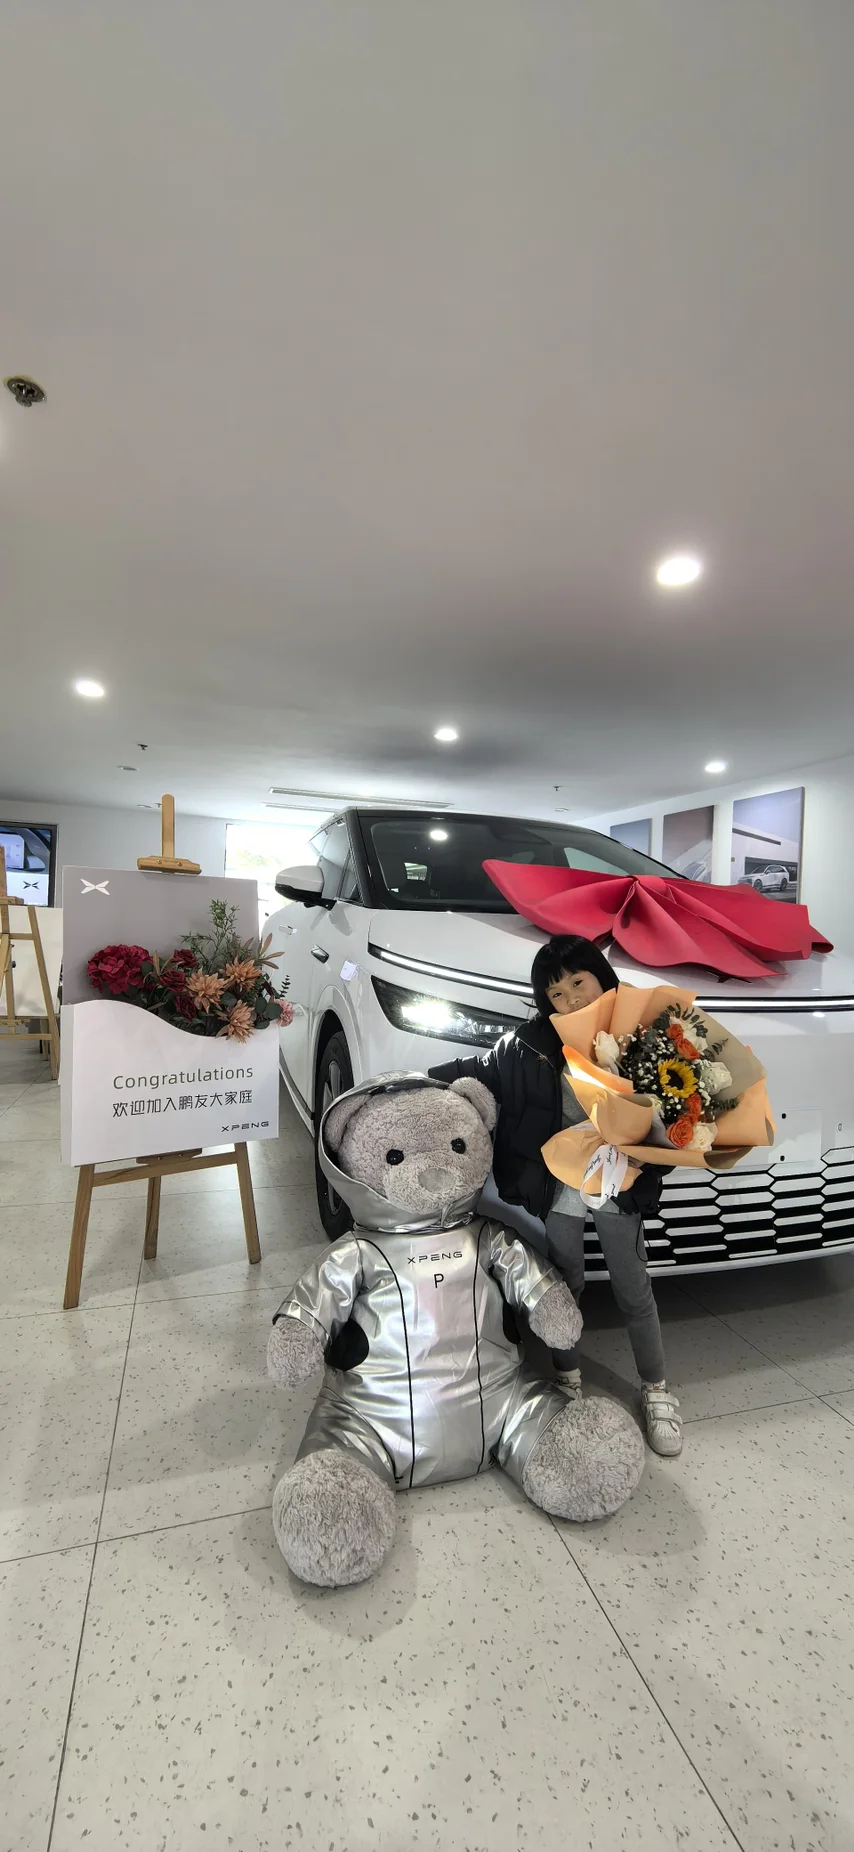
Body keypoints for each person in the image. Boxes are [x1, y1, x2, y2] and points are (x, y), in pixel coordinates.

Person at [429, 934, 682, 1457]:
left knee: (633, 1288)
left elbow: (676, 1104)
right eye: (556, 994)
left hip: (619, 1181)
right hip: (562, 1185)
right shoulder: (529, 1044)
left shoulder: (642, 1035)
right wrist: (417, 1081)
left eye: (577, 982)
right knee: (564, 1285)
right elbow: (481, 1070)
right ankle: (567, 1377)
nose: (570, 999)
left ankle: (656, 1389)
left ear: (600, 977)